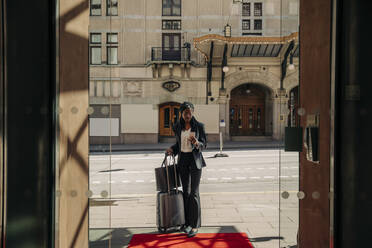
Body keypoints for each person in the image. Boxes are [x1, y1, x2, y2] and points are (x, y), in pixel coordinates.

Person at [166, 101, 207, 238]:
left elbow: (204, 144)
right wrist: (172, 149)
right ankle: (187, 223)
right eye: (185, 113)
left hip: (195, 162)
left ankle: (194, 225)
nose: (188, 115)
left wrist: (196, 143)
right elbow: (179, 144)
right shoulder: (177, 126)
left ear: (192, 112)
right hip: (182, 161)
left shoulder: (199, 126)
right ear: (181, 113)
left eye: (190, 112)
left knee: (194, 193)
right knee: (186, 193)